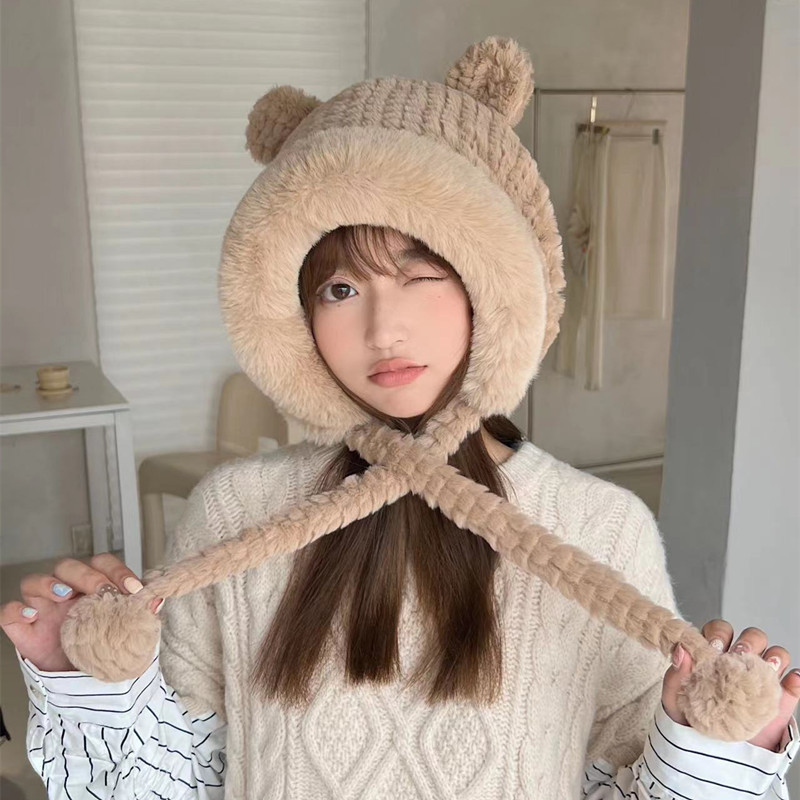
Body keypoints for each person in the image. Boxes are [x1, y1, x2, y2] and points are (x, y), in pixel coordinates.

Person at [3, 36, 799, 799]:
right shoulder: (235, 513)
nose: (383, 329)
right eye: (340, 289)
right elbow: (178, 783)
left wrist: (712, 756)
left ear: (494, 284)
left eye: (421, 274)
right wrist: (85, 685)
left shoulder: (602, 530)